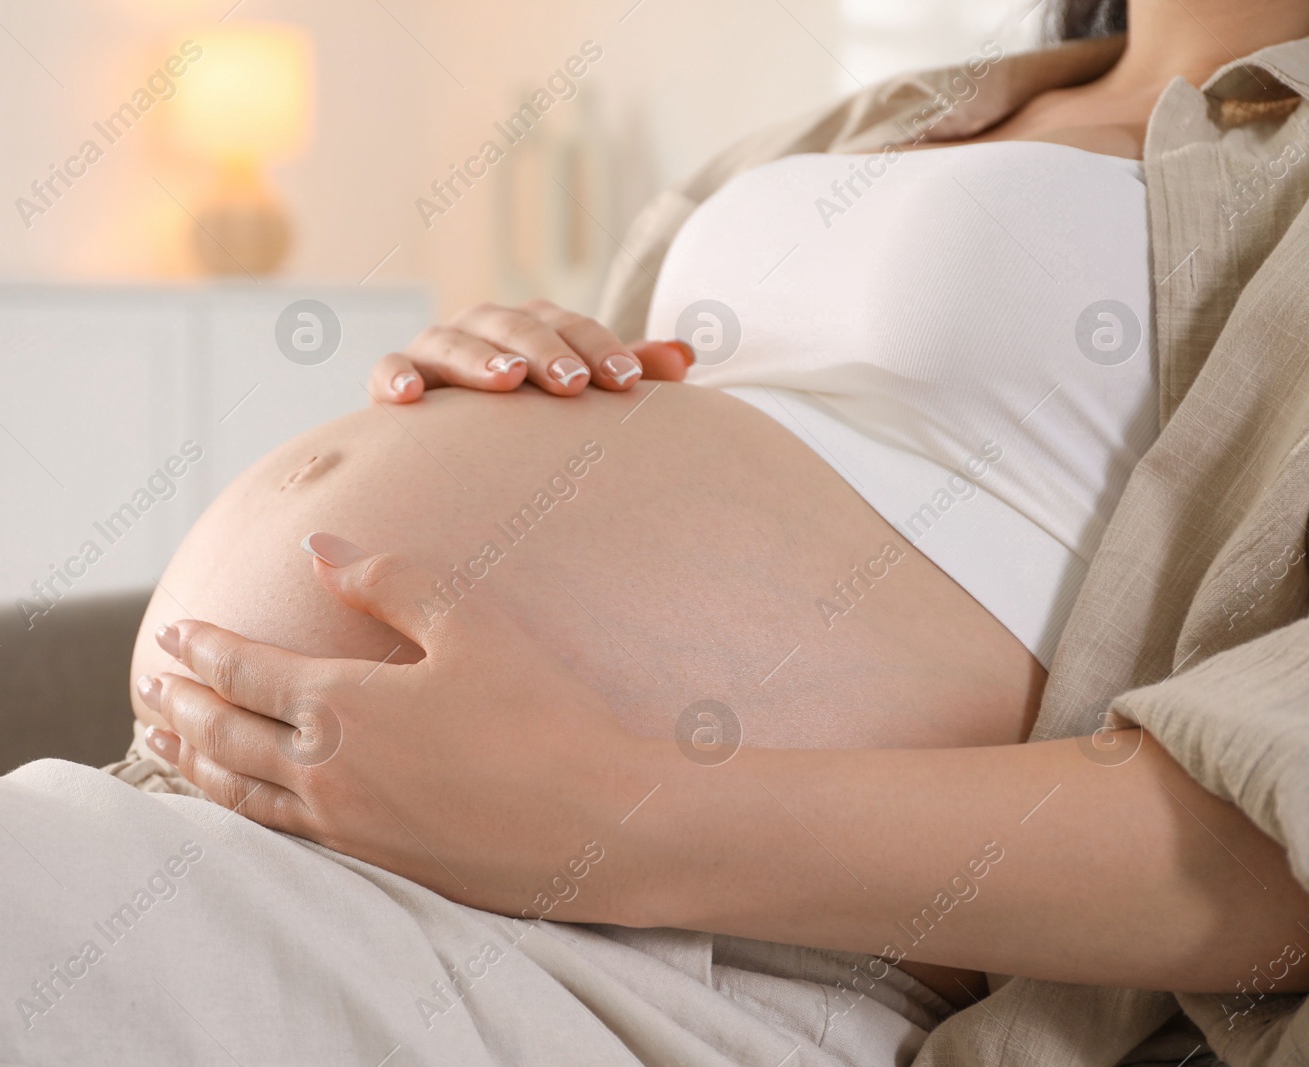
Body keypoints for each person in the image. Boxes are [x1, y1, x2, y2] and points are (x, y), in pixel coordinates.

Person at [123, 0, 1309, 1049]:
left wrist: (605, 816)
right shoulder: (876, 122)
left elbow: (1277, 841)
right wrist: (505, 374)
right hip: (264, 807)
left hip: (675, 949)